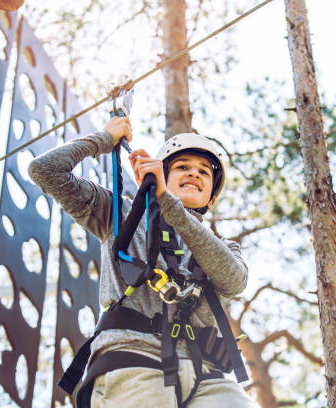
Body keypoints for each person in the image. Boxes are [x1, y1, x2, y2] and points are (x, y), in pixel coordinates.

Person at [28, 116, 259, 408]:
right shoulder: (122, 214)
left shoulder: (224, 248)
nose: (194, 174)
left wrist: (169, 203)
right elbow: (45, 170)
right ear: (160, 174)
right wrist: (104, 139)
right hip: (133, 359)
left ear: (211, 199)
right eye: (183, 167)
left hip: (206, 375)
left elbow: (234, 281)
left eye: (204, 172)